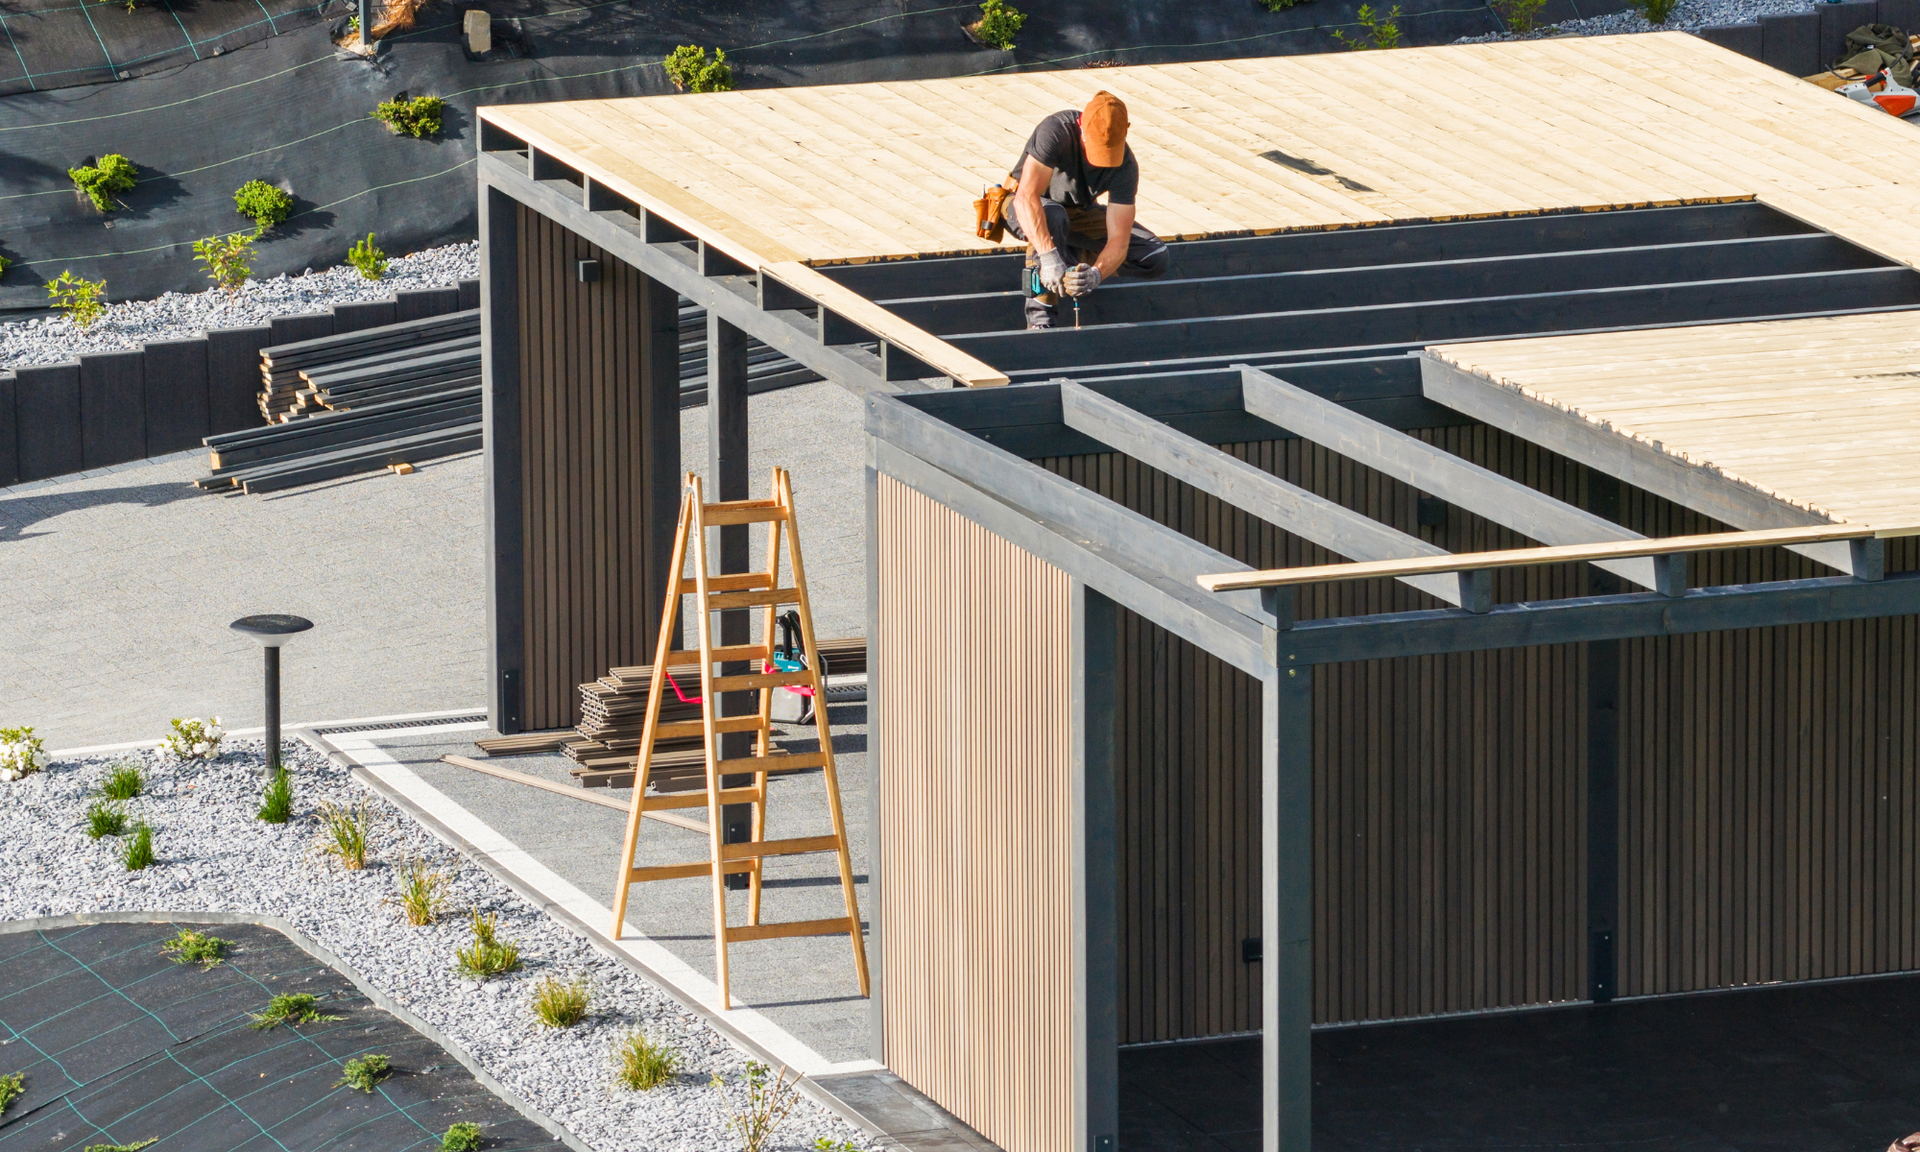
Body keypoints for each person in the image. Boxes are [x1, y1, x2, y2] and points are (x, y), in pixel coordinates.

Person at [1003, 90, 1170, 330]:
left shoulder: (1126, 166)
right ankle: (1040, 318)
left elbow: (1119, 240)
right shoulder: (1056, 132)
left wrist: (1095, 274)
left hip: (1078, 214)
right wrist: (1049, 258)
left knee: (1154, 256)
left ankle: (1070, 264)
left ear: (1126, 130)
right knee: (1052, 216)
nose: (1101, 160)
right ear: (1081, 126)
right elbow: (1026, 199)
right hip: (1022, 206)